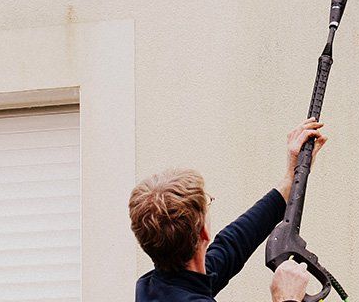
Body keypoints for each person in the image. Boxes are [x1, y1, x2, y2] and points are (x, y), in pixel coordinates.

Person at [129, 118, 328, 302]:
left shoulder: (152, 286)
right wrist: (286, 297)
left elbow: (232, 243)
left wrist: (291, 176)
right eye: (207, 202)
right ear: (203, 232)